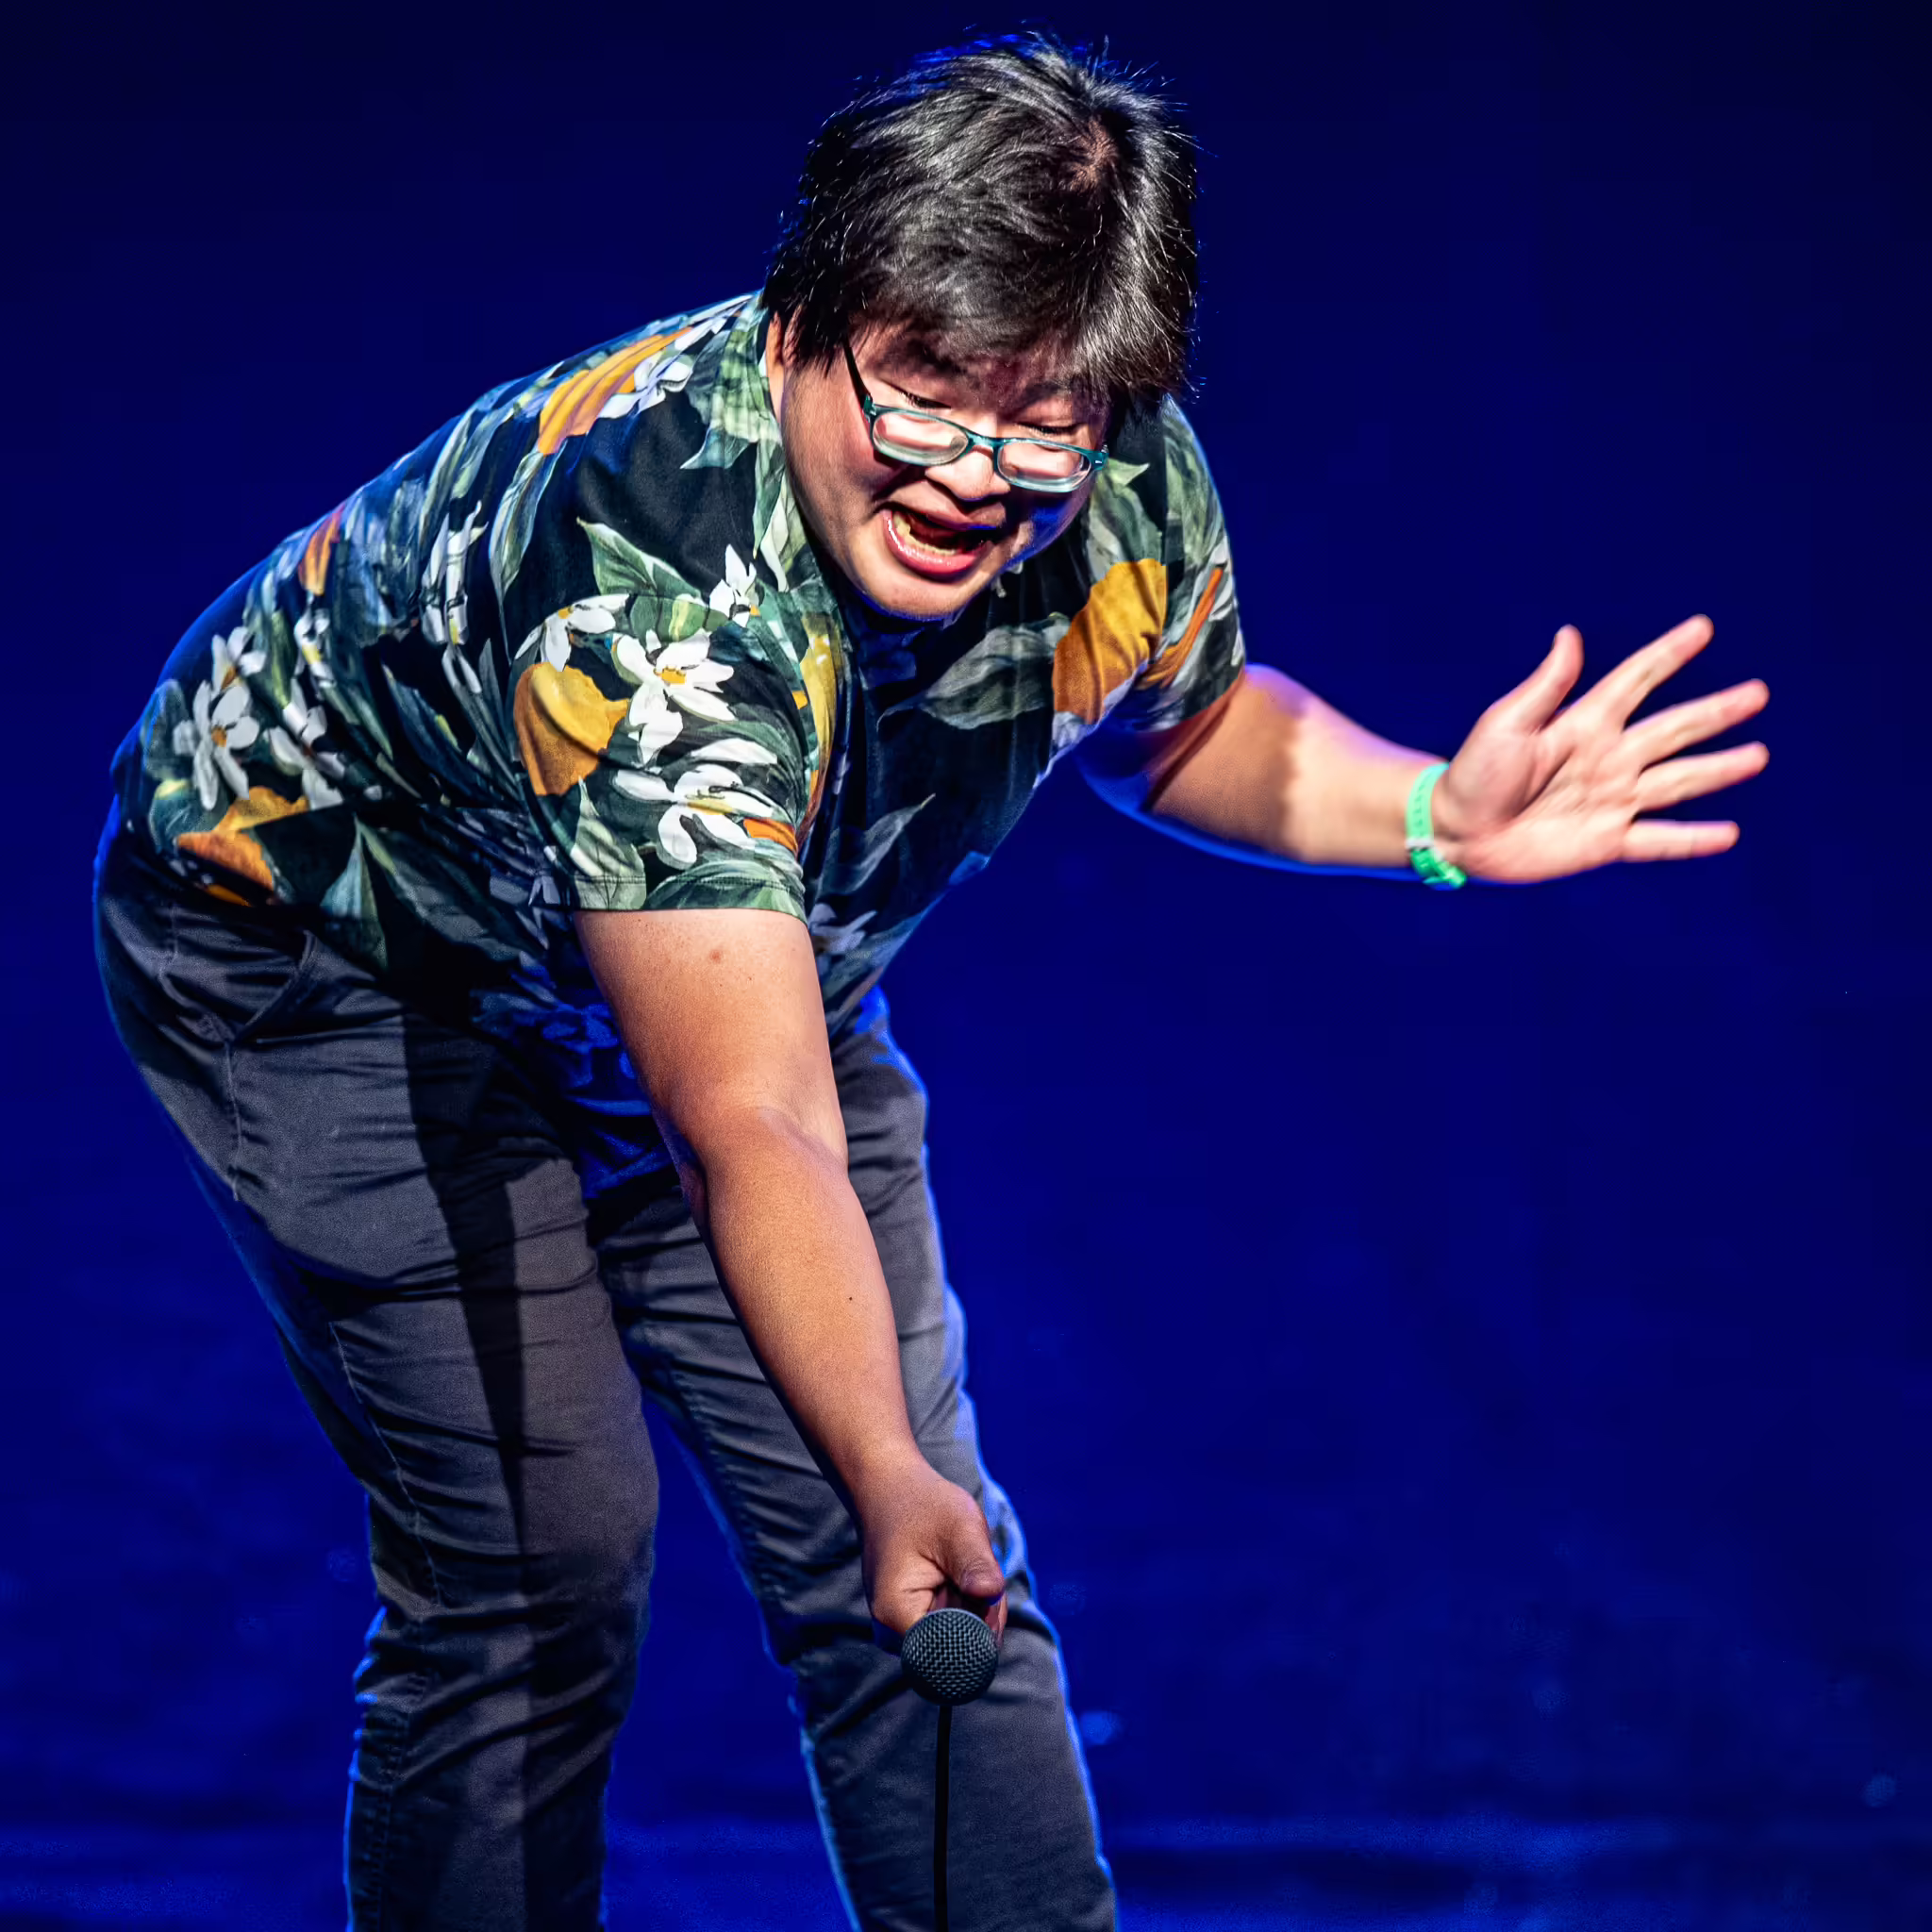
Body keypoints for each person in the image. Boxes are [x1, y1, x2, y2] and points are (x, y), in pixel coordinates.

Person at [92, 34, 1768, 1932]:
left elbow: (1173, 723)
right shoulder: (648, 577)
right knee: (546, 1555)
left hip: (735, 953)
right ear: (809, 322)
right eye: (925, 405)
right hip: (335, 960)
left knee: (929, 1569)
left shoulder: (1105, 471)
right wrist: (875, 1461)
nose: (979, 477)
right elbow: (756, 1124)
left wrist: (1433, 815)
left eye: (1037, 425)